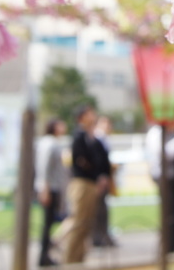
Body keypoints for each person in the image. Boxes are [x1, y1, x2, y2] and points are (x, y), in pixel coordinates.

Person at [54, 106, 111, 264]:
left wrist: (103, 176)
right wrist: (96, 174)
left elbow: (104, 160)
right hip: (82, 183)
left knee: (87, 223)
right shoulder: (79, 137)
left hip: (93, 184)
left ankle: (79, 259)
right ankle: (70, 259)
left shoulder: (94, 138)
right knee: (78, 222)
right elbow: (81, 161)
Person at [146, 122, 174, 253]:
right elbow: (166, 153)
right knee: (168, 213)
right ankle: (166, 245)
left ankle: (172, 243)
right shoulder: (156, 133)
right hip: (165, 178)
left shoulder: (173, 133)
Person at [34, 118, 68, 267]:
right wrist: (45, 188)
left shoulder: (50, 143)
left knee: (49, 223)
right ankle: (43, 256)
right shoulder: (50, 143)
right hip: (50, 188)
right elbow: (44, 167)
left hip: (51, 187)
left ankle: (45, 254)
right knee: (47, 224)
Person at [91, 115, 118, 248]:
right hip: (99, 179)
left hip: (104, 178)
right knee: (98, 210)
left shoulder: (104, 139)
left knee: (102, 210)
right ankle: (98, 237)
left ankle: (101, 236)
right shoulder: (97, 138)